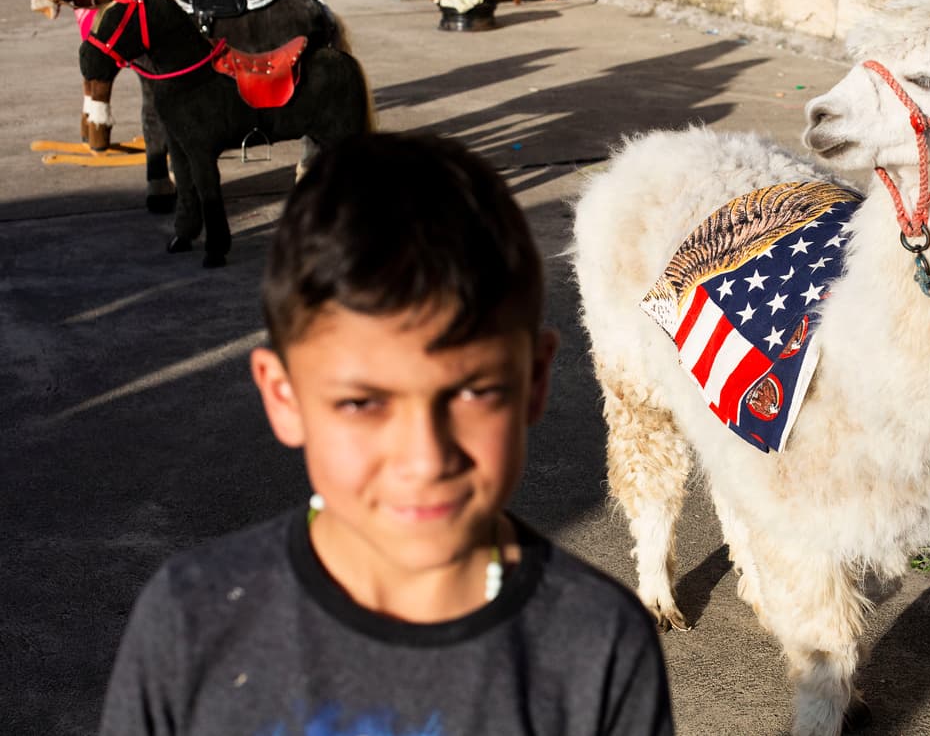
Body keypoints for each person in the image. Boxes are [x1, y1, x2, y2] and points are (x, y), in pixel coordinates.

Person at [98, 131, 675, 735]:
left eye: (473, 392)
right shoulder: (192, 624)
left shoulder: (596, 645)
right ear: (283, 397)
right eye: (362, 403)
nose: (424, 458)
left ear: (533, 382)